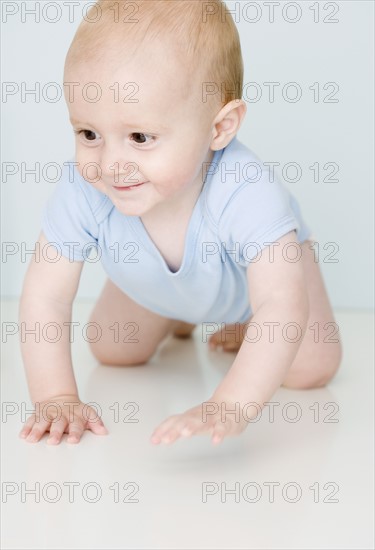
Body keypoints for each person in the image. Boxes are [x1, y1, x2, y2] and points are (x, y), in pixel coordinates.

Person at [18, 0, 342, 446]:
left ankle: (239, 324)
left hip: (260, 290)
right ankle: (177, 316)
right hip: (152, 281)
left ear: (220, 128)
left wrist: (230, 402)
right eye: (88, 133)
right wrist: (55, 395)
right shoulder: (83, 187)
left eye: (140, 137)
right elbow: (46, 294)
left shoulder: (245, 189)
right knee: (111, 348)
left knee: (310, 368)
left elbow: (281, 306)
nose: (111, 164)